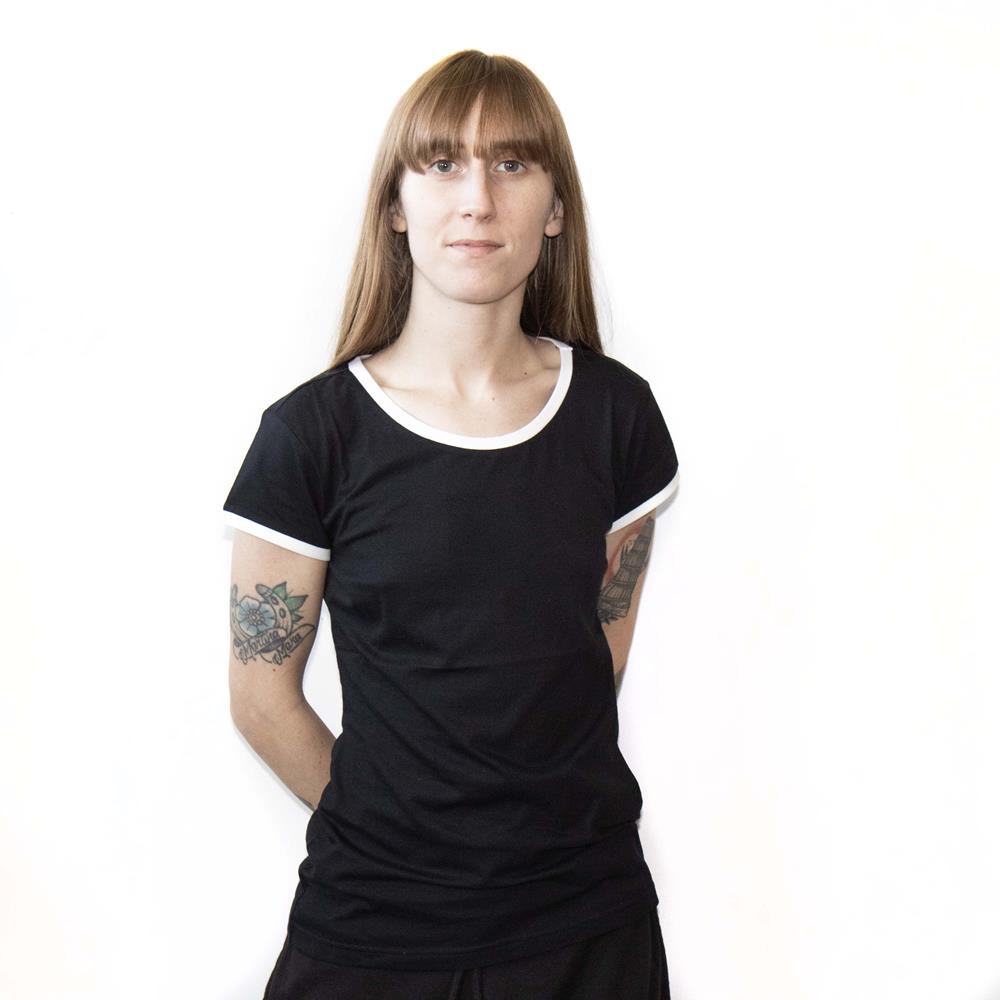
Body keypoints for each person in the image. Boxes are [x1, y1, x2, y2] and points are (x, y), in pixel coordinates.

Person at [222, 48, 679, 1000]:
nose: (477, 199)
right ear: (395, 205)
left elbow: (592, 659)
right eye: (442, 164)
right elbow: (262, 698)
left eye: (512, 163)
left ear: (556, 209)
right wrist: (397, 833)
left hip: (585, 922)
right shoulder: (311, 437)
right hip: (376, 922)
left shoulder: (615, 418)